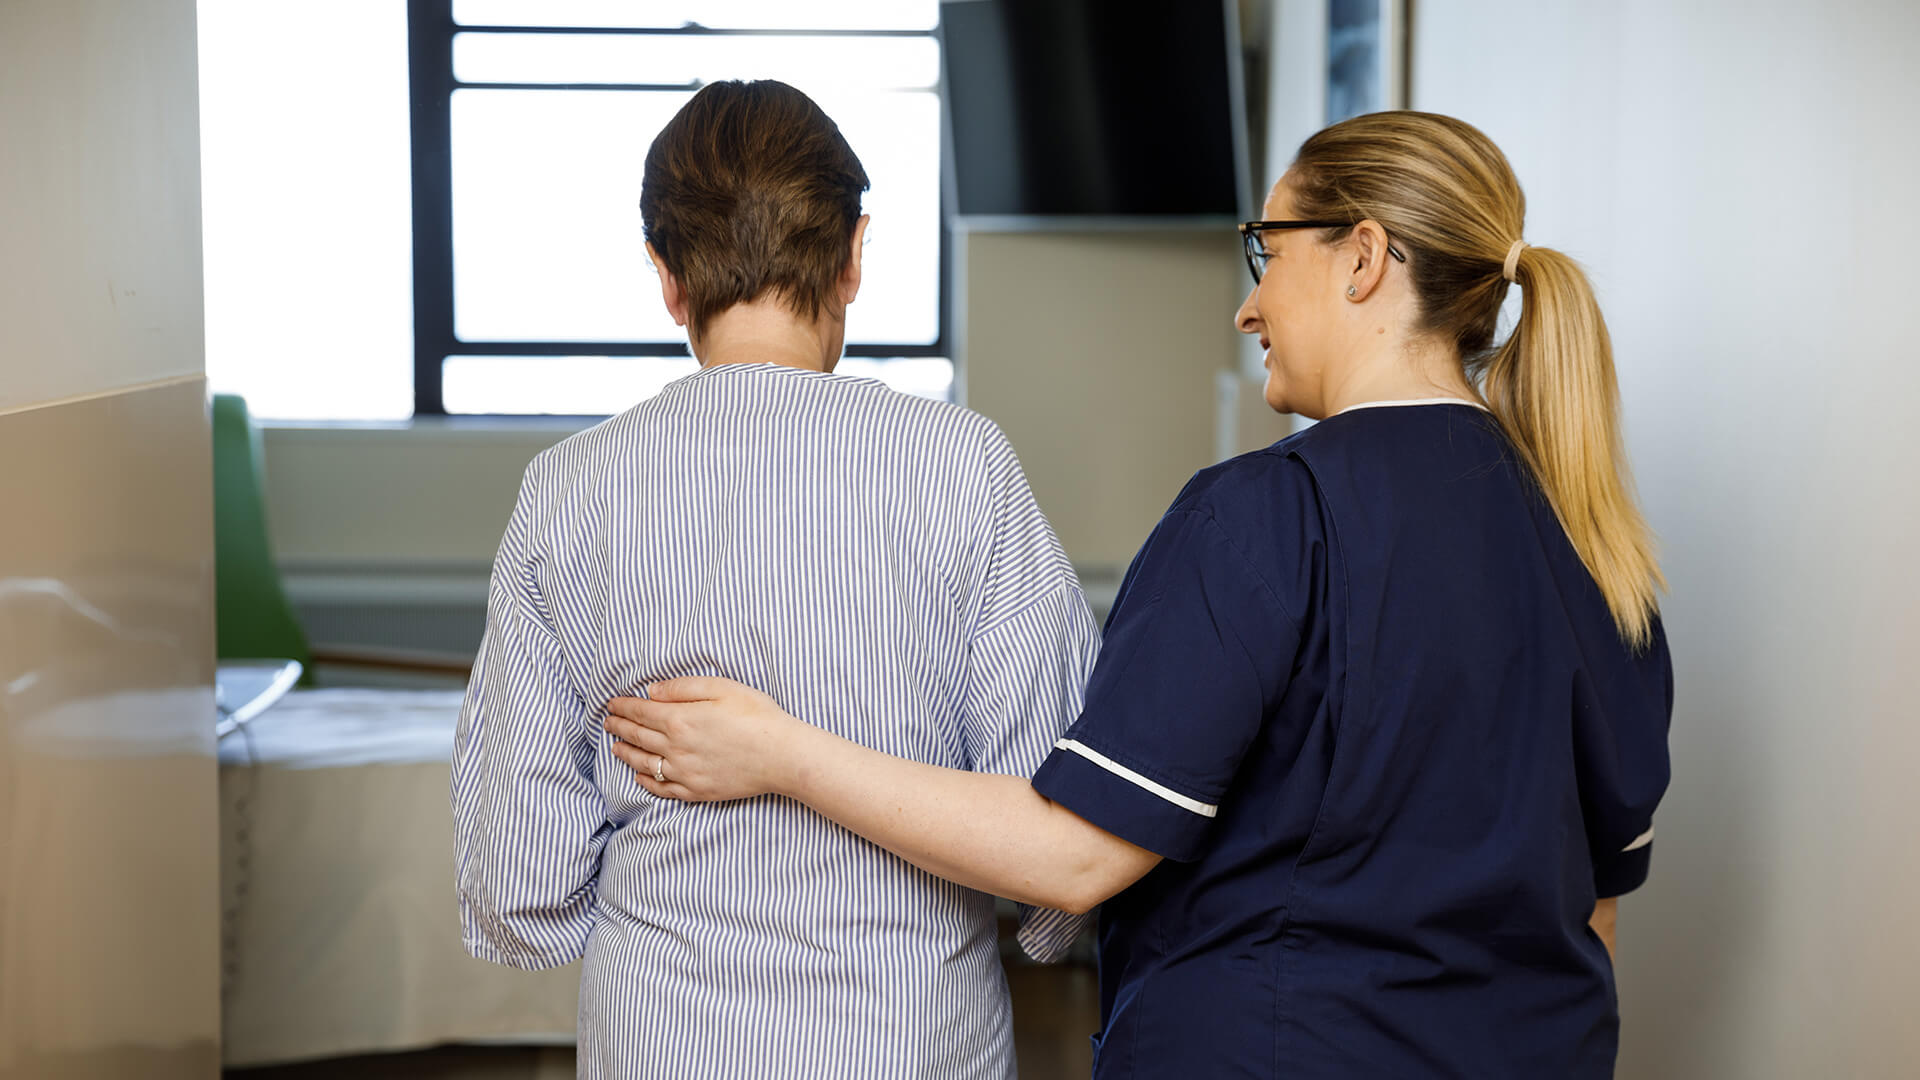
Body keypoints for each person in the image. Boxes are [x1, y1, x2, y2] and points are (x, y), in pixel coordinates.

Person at [603, 111, 1675, 1078]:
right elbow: (1592, 914)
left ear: (1363, 259)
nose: (1250, 303)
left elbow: (1072, 856)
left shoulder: (1265, 517)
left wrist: (781, 752)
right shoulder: (1596, 547)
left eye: (1268, 250)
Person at [451, 79, 1092, 1080]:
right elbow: (1058, 851)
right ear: (853, 258)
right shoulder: (962, 464)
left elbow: (522, 887)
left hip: (663, 1044)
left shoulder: (567, 491)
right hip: (910, 1044)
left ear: (665, 276)